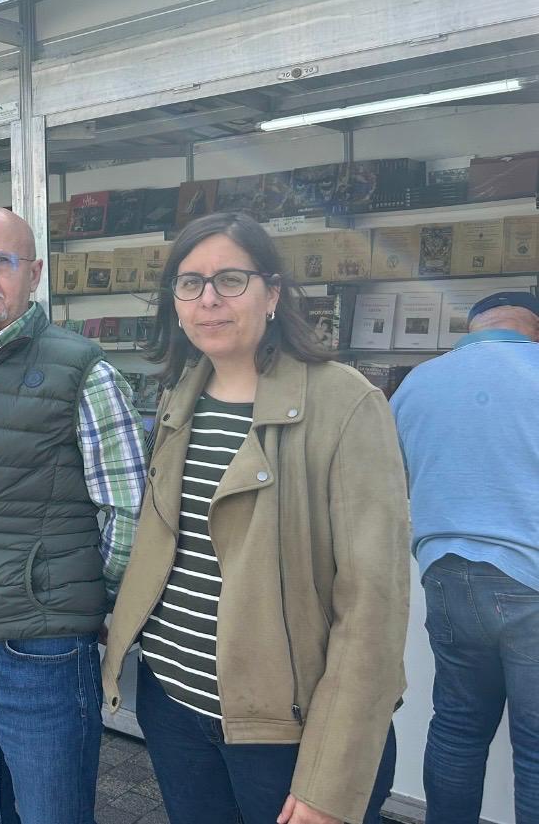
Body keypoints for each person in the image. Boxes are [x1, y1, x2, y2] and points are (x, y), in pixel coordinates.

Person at [102, 212, 408, 824]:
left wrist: (331, 778)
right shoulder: (179, 396)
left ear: (272, 293)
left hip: (281, 725)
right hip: (172, 701)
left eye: (230, 280)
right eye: (190, 283)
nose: (208, 299)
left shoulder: (345, 402)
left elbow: (372, 606)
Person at [0, 207, 147, 824]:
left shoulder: (84, 371)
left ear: (35, 273)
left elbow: (128, 510)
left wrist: (88, 600)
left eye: (3, 260)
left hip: (40, 652)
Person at [390, 290, 539, 824]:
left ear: (472, 327)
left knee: (456, 728)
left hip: (445, 574)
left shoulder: (418, 382)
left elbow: (390, 477)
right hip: (531, 578)